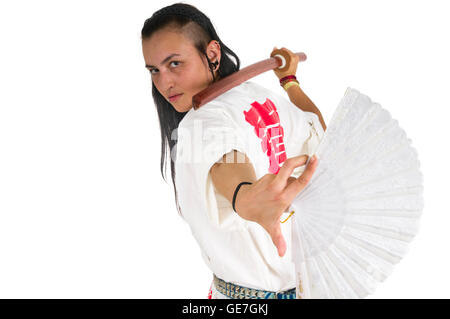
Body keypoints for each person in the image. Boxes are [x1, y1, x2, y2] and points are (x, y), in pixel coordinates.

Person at [141, 2, 326, 299]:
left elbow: (228, 163)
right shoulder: (266, 98)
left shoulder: (200, 121)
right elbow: (317, 127)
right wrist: (290, 81)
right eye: (154, 70)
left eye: (174, 63)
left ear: (212, 54)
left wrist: (245, 196)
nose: (164, 82)